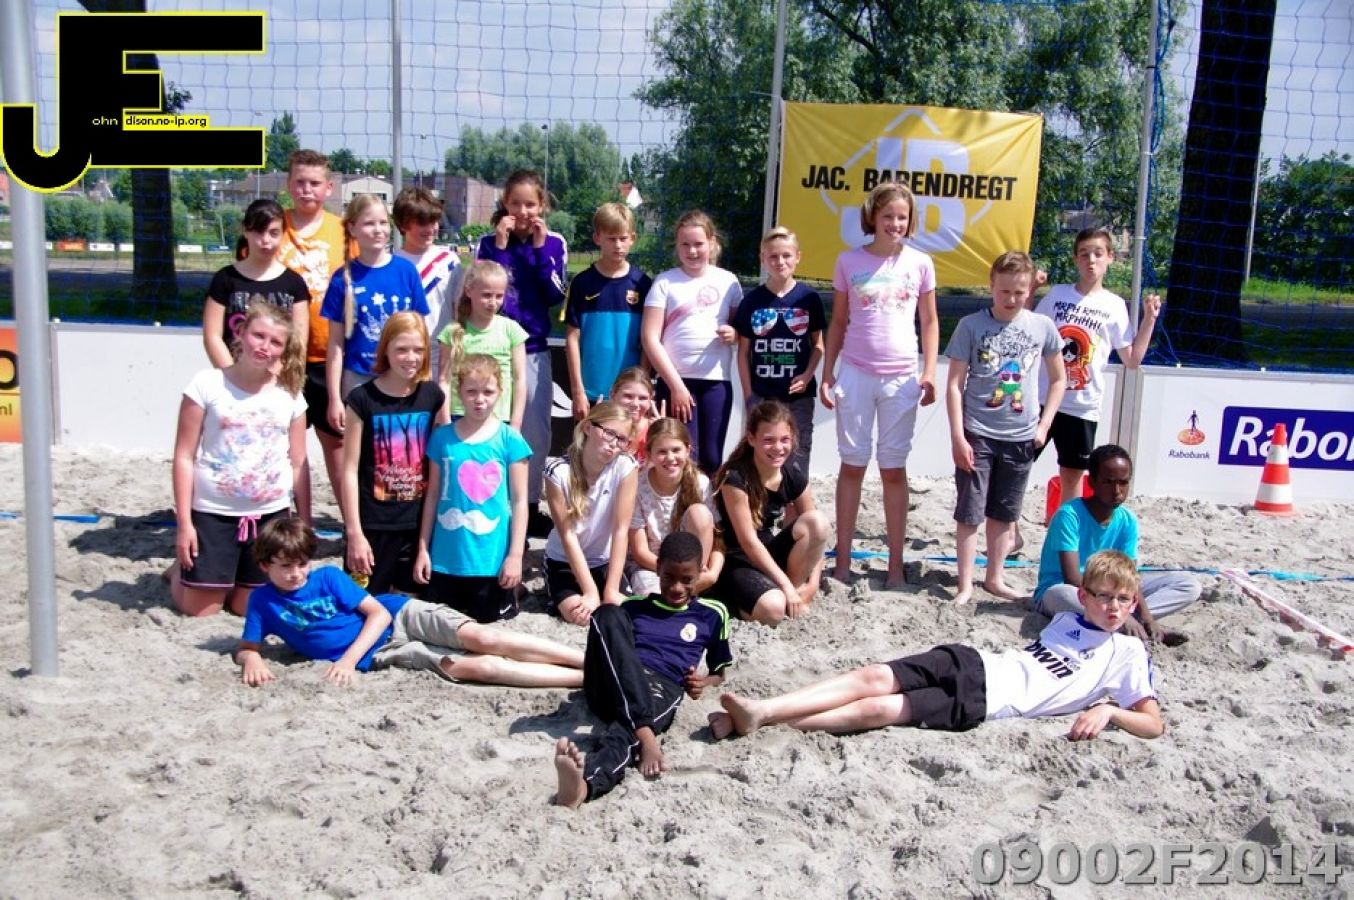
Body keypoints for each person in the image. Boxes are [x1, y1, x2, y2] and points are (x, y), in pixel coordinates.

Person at [709, 550, 1163, 743]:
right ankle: (765, 709)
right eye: (1104, 596)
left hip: (989, 702)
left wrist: (1110, 712)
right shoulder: (1066, 618)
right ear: (1084, 595)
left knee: (879, 710)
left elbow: (1153, 723)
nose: (1113, 607)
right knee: (873, 677)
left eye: (1123, 600)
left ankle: (762, 722)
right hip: (975, 659)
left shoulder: (1126, 653)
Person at [237, 517, 583, 688]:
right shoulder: (263, 601)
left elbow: (376, 614)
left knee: (484, 637)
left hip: (399, 614)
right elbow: (248, 646)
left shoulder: (326, 576)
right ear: (265, 566)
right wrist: (250, 658)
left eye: (301, 564)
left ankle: (587, 661)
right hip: (382, 654)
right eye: (285, 567)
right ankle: (581, 679)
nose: (296, 574)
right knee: (475, 667)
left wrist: (347, 660)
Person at [552, 531, 733, 808]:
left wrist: (703, 682)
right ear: (657, 568)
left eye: (687, 580)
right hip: (613, 685)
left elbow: (719, 672)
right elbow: (612, 650)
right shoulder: (634, 606)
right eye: (669, 577)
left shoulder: (712, 613)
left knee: (623, 731)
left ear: (700, 573)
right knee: (607, 613)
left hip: (661, 687)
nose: (677, 587)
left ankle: (584, 787)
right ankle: (646, 734)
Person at [819, 183, 938, 588]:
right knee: (852, 465)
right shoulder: (848, 260)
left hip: (902, 377)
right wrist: (828, 372)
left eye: (902, 217)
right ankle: (843, 562)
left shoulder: (921, 262)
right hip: (855, 372)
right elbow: (838, 321)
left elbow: (930, 321)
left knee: (893, 470)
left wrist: (929, 372)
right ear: (873, 217)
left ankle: (895, 567)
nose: (895, 223)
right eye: (888, 216)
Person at [171, 300, 308, 617]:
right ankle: (179, 573)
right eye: (259, 335)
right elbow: (184, 456)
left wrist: (304, 520)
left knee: (247, 608)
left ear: (284, 349)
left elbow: (298, 462)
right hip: (213, 512)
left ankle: (227, 577)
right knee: (201, 611)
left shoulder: (290, 394)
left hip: (269, 515)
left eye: (275, 342)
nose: (265, 346)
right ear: (241, 333)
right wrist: (184, 525)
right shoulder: (206, 384)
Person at [945, 251, 1066, 604]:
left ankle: (994, 578)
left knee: (1004, 510)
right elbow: (954, 384)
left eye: (1019, 292)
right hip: (978, 432)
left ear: (1030, 290)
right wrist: (958, 436)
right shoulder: (970, 325)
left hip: (1021, 436)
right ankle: (965, 584)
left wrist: (1044, 425)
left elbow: (1059, 379)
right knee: (970, 511)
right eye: (1004, 291)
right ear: (991, 286)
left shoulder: (1042, 326)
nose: (1011, 299)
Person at [1031, 227, 1163, 515]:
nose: (1091, 260)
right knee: (1017, 464)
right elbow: (1028, 328)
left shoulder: (1114, 305)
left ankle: (1067, 532)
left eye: (1098, 254)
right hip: (1042, 398)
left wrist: (1149, 320)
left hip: (1082, 404)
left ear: (1110, 257)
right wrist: (1029, 290)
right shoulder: (1057, 295)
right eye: (1084, 254)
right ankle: (1009, 529)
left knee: (1072, 475)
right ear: (1075, 259)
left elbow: (1132, 360)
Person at [475, 169, 567, 538]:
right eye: (516, 203)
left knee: (534, 430)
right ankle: (493, 501)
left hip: (532, 349)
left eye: (531, 204)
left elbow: (555, 295)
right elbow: (485, 292)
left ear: (542, 205)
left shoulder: (554, 243)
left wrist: (541, 251)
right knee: (489, 425)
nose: (524, 211)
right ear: (505, 204)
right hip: (492, 349)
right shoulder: (488, 243)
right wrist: (500, 248)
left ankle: (528, 504)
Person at [1033, 444, 1200, 642]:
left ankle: (1129, 622)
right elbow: (1072, 578)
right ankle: (1123, 622)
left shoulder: (1127, 520)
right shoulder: (1069, 515)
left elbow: (1130, 577)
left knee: (1188, 585)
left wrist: (1147, 617)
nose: (1117, 490)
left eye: (1123, 482)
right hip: (1072, 590)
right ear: (1092, 482)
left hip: (1113, 591)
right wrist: (1125, 614)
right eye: (1108, 482)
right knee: (1063, 594)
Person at [415, 354, 533, 623]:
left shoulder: (510, 440)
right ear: (459, 392)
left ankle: (514, 591)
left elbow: (519, 501)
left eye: (488, 392)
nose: (480, 399)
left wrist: (515, 556)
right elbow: (432, 496)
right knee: (440, 623)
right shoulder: (442, 438)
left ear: (500, 392)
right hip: (445, 558)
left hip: (489, 561)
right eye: (471, 391)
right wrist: (423, 549)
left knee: (485, 622)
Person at [339, 312, 446, 595]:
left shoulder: (432, 396)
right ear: (385, 349)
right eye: (401, 349)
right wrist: (354, 532)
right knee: (361, 604)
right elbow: (348, 470)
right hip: (372, 525)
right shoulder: (361, 399)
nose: (411, 357)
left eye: (418, 350)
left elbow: (441, 459)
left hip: (416, 525)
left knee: (407, 607)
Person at [641, 210, 743, 475]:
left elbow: (741, 330)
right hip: (676, 382)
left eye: (698, 243)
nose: (692, 251)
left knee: (711, 458)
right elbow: (650, 338)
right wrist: (676, 386)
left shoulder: (728, 281)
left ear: (712, 242)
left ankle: (705, 502)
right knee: (681, 456)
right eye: (685, 244)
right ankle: (679, 503)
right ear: (676, 246)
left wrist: (733, 334)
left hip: (716, 381)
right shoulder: (665, 281)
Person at [321, 194, 430, 439]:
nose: (378, 230)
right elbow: (336, 345)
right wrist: (334, 398)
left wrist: (424, 380)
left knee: (401, 447)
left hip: (403, 377)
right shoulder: (342, 278)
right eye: (369, 223)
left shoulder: (406, 271)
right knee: (362, 451)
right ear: (352, 228)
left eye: (383, 222)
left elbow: (421, 334)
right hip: (360, 379)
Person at [710, 400, 829, 625]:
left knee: (818, 523)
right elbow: (748, 542)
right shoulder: (735, 478)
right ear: (751, 439)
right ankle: (761, 598)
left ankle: (789, 594)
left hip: (769, 552)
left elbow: (819, 539)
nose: (778, 448)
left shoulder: (792, 475)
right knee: (773, 610)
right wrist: (785, 587)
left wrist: (812, 584)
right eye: (768, 440)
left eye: (784, 439)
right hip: (736, 560)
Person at [275, 149, 348, 510]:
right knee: (279, 445)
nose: (307, 189)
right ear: (288, 184)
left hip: (328, 357)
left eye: (315, 183)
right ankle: (280, 521)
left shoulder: (343, 230)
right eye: (300, 182)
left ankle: (352, 525)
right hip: (278, 359)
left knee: (337, 443)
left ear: (328, 187)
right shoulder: (273, 226)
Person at [733, 226, 826, 470]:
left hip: (798, 397)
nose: (780, 261)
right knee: (762, 457)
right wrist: (749, 395)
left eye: (786, 255)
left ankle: (796, 497)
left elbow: (818, 345)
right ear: (763, 259)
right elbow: (743, 352)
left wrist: (807, 376)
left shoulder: (809, 298)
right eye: (773, 256)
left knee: (797, 456)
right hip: (763, 395)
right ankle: (765, 498)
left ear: (798, 257)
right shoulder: (752, 301)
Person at [542, 402, 639, 625]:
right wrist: (590, 591)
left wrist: (611, 590)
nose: (613, 444)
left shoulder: (625, 467)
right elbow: (568, 535)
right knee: (581, 616)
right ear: (587, 428)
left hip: (603, 561)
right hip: (564, 562)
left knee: (622, 612)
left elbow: (621, 530)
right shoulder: (558, 472)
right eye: (609, 433)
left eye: (621, 439)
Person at [565, 202, 652, 417]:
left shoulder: (643, 284)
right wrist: (578, 392)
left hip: (630, 396)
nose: (618, 245)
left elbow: (648, 342)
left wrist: (643, 387)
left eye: (623, 238)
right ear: (597, 238)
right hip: (591, 392)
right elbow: (572, 339)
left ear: (632, 238)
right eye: (611, 239)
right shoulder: (582, 283)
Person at [201, 198, 310, 368]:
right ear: (245, 231)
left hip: (278, 378)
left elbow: (299, 342)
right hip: (232, 376)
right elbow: (212, 336)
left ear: (283, 233)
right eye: (259, 231)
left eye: (273, 233)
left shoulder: (294, 283)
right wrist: (233, 375)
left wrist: (275, 376)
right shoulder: (225, 279)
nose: (265, 240)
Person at [627, 417, 723, 598]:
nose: (670, 458)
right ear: (649, 454)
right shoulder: (637, 486)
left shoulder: (700, 483)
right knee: (654, 598)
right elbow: (640, 552)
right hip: (651, 567)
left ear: (687, 450)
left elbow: (718, 539)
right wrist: (671, 574)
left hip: (691, 571)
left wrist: (712, 574)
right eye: (662, 452)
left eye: (676, 450)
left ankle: (694, 583)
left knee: (700, 513)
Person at [435, 260, 527, 428]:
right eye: (486, 295)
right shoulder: (452, 332)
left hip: (499, 418)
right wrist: (446, 421)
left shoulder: (512, 330)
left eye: (499, 296)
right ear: (469, 291)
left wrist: (516, 423)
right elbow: (444, 380)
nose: (493, 302)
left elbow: (520, 379)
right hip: (459, 416)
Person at [391, 185, 461, 365]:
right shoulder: (391, 264)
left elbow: (459, 311)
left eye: (434, 221)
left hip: (443, 354)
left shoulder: (450, 261)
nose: (431, 229)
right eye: (422, 223)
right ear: (403, 224)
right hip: (404, 355)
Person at [609, 366, 661, 464]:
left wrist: (662, 437)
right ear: (613, 395)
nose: (635, 404)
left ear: (651, 399)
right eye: (628, 396)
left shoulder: (654, 429)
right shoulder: (602, 429)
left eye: (643, 398)